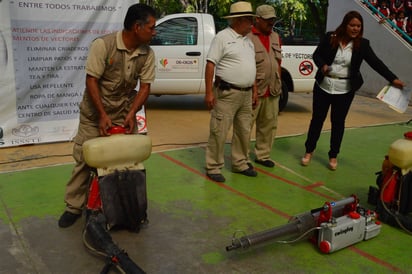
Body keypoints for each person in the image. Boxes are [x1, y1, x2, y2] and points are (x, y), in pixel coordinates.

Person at [58, 3, 157, 228]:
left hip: (124, 114)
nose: (154, 32)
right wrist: (102, 115)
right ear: (136, 26)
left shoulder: (147, 53)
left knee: (125, 162)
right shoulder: (103, 45)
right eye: (151, 28)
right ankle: (73, 206)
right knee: (85, 160)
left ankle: (122, 206)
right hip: (95, 114)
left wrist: (132, 113)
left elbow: (145, 88)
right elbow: (91, 80)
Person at [301, 10, 405, 170]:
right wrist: (322, 65)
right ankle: (309, 151)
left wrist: (393, 79)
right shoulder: (331, 37)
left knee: (338, 123)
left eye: (358, 26)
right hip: (324, 86)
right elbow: (316, 55)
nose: (356, 28)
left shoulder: (363, 44)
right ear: (345, 25)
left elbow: (376, 63)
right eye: (352, 25)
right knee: (317, 120)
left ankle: (333, 155)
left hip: (345, 90)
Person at [204, 1, 257, 183]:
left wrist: (254, 91)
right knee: (219, 130)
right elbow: (210, 64)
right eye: (249, 20)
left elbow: (252, 68)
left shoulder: (248, 41)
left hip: (246, 93)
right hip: (227, 92)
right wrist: (209, 92)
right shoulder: (222, 37)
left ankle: (240, 163)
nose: (252, 23)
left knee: (244, 130)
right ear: (238, 20)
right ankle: (213, 166)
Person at [246, 5, 282, 168]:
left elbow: (278, 62)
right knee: (245, 126)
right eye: (267, 20)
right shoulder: (248, 37)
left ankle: (263, 155)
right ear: (257, 19)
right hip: (254, 90)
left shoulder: (276, 37)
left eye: (273, 19)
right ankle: (242, 158)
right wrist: (252, 89)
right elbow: (246, 66)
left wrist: (279, 81)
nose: (271, 23)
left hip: (272, 89)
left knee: (269, 125)